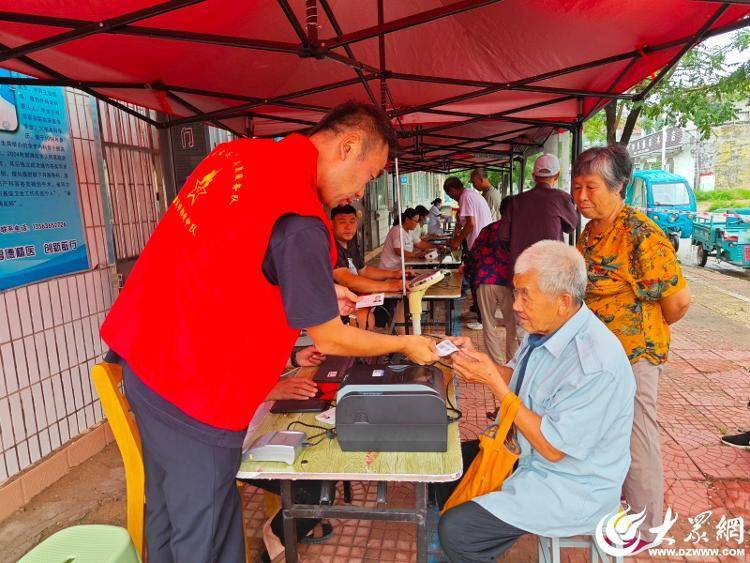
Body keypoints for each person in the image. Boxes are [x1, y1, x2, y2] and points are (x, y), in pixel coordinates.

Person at [99, 101, 438, 562]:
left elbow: (230, 260)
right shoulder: (299, 215)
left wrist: (314, 297)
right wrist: (405, 343)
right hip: (192, 386)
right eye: (369, 175)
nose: (360, 192)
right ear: (349, 146)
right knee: (206, 529)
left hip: (144, 359)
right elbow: (331, 339)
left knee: (167, 510)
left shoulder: (238, 157)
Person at [436, 241, 636, 562]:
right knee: (445, 468)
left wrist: (492, 382)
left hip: (572, 484)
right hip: (529, 455)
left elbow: (553, 449)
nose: (516, 305)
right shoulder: (545, 329)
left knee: (458, 532)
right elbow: (514, 376)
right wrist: (478, 361)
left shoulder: (594, 364)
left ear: (563, 301)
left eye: (524, 295)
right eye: (516, 293)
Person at [572, 145, 691, 549]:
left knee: (637, 435)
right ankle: (622, 504)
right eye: (576, 187)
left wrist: (636, 333)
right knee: (608, 432)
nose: (581, 197)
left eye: (591, 187)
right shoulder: (590, 232)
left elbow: (677, 303)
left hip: (635, 355)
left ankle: (646, 528)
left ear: (620, 186)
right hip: (600, 356)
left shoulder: (642, 236)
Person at [499, 153, 578, 270]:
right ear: (557, 176)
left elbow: (503, 236)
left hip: (522, 271)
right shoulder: (562, 198)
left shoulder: (515, 201)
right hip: (550, 271)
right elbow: (570, 227)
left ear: (533, 176)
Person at [463, 196, 517, 363]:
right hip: (508, 282)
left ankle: (497, 364)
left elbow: (473, 254)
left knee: (489, 324)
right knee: (513, 325)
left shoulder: (488, 229)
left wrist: (469, 270)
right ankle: (512, 364)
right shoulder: (519, 230)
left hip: (484, 280)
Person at [443, 177, 492, 251]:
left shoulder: (465, 196)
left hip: (478, 243)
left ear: (453, 189)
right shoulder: (470, 194)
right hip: (485, 240)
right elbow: (464, 220)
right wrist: (458, 226)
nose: (451, 197)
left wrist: (457, 241)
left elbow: (470, 224)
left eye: (450, 194)